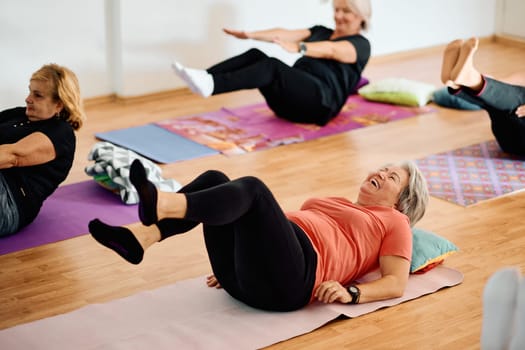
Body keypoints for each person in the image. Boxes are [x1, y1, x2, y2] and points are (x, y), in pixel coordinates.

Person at [89, 158, 428, 312]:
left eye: (392, 178)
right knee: (214, 177)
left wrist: (351, 292)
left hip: (292, 281)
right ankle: (141, 239)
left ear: (402, 202)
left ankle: (161, 203)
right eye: (382, 169)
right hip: (248, 276)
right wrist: (240, 254)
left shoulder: (394, 223)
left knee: (253, 189)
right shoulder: (337, 202)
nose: (381, 174)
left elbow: (395, 282)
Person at [172, 0, 371, 126]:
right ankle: (206, 77)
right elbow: (282, 33)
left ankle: (212, 85)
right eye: (336, 9)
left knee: (273, 66)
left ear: (361, 15)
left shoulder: (360, 45)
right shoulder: (321, 31)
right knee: (255, 55)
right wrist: (250, 35)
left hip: (320, 105)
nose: (338, 16)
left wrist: (301, 48)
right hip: (288, 104)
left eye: (346, 11)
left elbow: (332, 50)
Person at [0, 63, 86, 236]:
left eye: (37, 95)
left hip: (10, 203)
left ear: (59, 104)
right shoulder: (21, 114)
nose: (28, 99)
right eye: (30, 91)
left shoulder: (61, 133)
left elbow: (12, 156)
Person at [440, 37, 525, 155]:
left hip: (518, 143)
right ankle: (458, 83)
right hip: (508, 138)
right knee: (496, 102)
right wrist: (496, 83)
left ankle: (468, 79)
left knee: (520, 97)